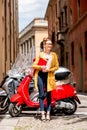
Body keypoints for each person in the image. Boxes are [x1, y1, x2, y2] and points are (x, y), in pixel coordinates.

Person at [32, 38, 59, 121]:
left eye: (50, 44)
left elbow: (56, 66)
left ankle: (48, 113)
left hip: (49, 76)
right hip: (40, 75)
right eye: (48, 44)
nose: (50, 45)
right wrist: (41, 67)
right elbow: (34, 65)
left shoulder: (54, 55)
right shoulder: (41, 55)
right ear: (44, 45)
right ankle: (42, 113)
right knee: (41, 95)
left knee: (48, 95)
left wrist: (49, 70)